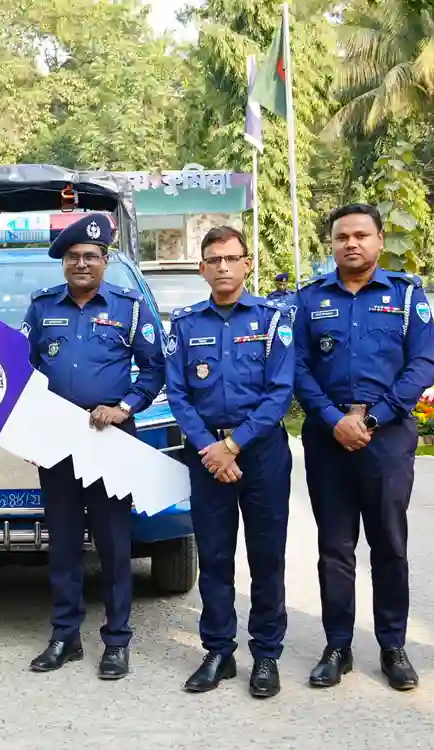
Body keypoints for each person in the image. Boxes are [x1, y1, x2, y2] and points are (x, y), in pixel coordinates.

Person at [292, 203, 434, 692]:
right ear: (330, 244)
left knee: (389, 544)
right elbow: (297, 369)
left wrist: (372, 417)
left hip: (387, 435)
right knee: (335, 547)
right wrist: (335, 419)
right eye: (341, 237)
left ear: (378, 241)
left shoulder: (406, 295)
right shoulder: (309, 300)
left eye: (361, 235)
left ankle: (393, 645)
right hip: (328, 436)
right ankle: (337, 645)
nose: (351, 243)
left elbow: (423, 364)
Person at [20, 212, 165, 680]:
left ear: (104, 261)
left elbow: (155, 368)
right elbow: (23, 374)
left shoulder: (129, 306)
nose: (82, 264)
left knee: (113, 544)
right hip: (58, 441)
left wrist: (125, 406)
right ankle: (65, 636)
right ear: (63, 264)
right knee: (61, 543)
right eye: (73, 257)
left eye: (91, 257)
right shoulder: (42, 309)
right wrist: (27, 431)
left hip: (110, 440)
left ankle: (117, 641)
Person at [164, 227, 294, 699]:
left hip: (260, 454)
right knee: (215, 558)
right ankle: (218, 651)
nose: (222, 266)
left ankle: (266, 654)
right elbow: (178, 393)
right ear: (201, 268)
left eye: (231, 258)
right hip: (205, 456)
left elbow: (280, 392)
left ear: (247, 264)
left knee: (266, 557)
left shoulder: (274, 319)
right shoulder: (184, 325)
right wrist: (210, 448)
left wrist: (233, 446)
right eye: (213, 259)